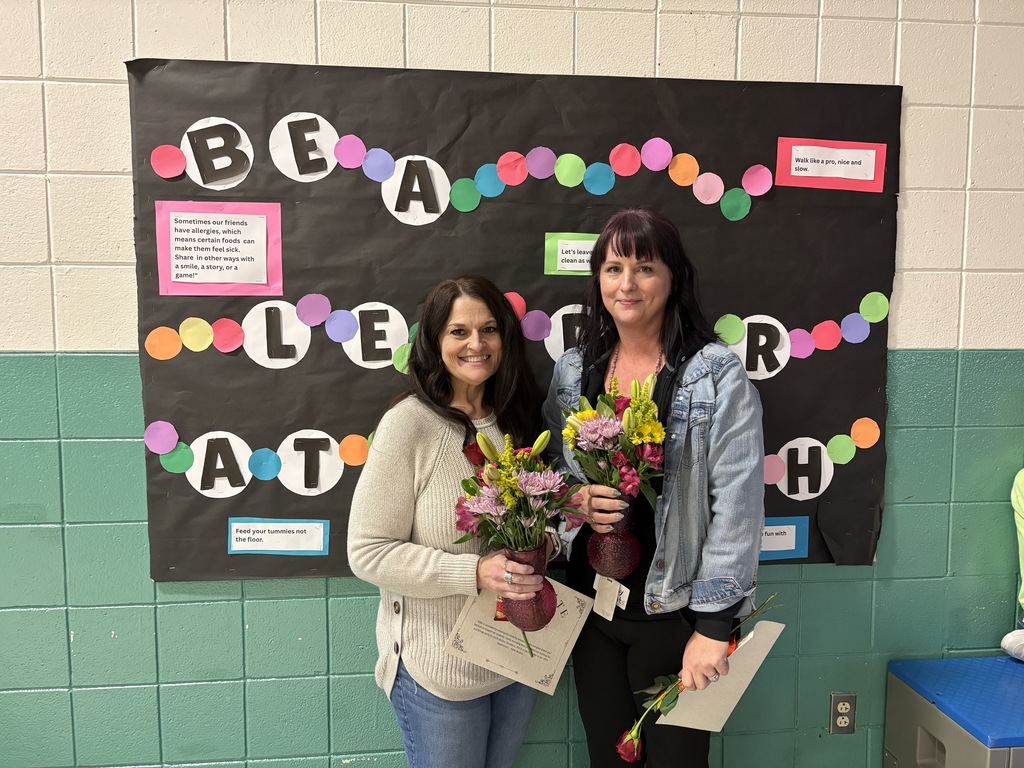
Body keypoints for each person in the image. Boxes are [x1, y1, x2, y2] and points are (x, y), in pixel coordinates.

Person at [543, 208, 765, 767]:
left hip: (675, 617)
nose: (627, 283)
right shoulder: (575, 369)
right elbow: (551, 476)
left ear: (673, 278)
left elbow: (737, 503)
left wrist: (714, 625)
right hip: (593, 612)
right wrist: (572, 499)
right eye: (613, 268)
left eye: (644, 268)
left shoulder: (714, 373)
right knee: (608, 759)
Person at [348, 275, 546, 768]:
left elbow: (537, 521)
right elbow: (367, 552)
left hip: (517, 658)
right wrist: (474, 573)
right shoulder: (409, 424)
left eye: (489, 329)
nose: (476, 344)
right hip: (438, 673)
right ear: (435, 341)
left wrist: (548, 541)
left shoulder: (518, 420)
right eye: (459, 331)